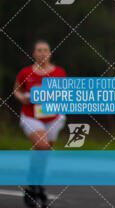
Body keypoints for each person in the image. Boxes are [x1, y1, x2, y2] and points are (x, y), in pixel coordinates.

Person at [13, 40, 67, 207]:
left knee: (44, 153)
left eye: (45, 50)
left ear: (50, 54)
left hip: (53, 118)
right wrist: (22, 97)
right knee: (42, 146)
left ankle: (35, 186)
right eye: (39, 50)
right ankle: (34, 184)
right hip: (31, 117)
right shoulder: (26, 72)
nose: (42, 53)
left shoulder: (59, 72)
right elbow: (17, 89)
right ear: (34, 54)